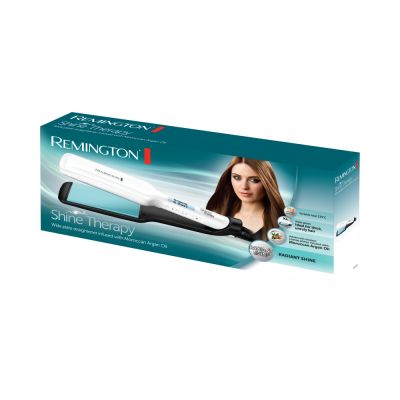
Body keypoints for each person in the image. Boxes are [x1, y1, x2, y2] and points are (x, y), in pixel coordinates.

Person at [207, 157, 285, 241]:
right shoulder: (216, 212)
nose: (244, 186)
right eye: (237, 177)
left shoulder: (281, 224)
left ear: (267, 183)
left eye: (254, 180)